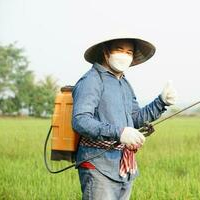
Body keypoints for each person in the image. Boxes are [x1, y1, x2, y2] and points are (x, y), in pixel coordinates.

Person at [71, 36, 177, 200]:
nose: (124, 55)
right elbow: (80, 120)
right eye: (119, 50)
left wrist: (161, 102)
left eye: (129, 52)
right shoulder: (92, 80)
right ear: (106, 52)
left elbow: (135, 119)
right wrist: (119, 132)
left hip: (123, 166)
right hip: (98, 165)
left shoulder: (124, 83)